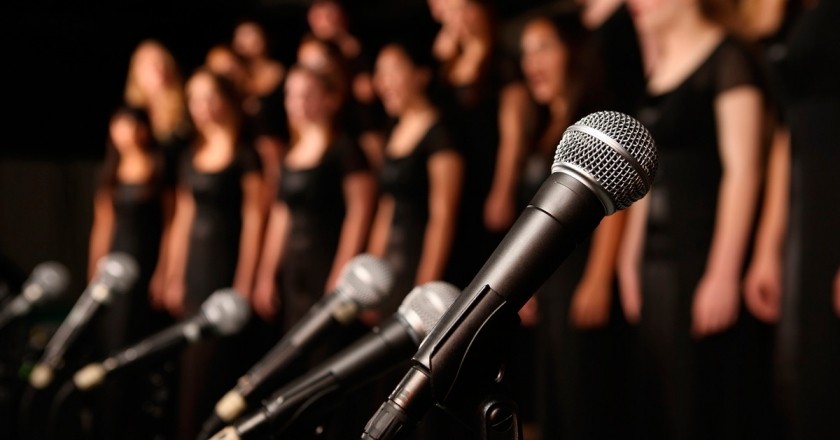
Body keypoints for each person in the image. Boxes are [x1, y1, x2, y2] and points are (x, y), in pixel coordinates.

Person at [617, 0, 766, 438]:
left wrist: (723, 271)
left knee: (698, 400)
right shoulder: (656, 71)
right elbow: (645, 175)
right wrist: (629, 259)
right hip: (655, 260)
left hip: (699, 253)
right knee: (657, 397)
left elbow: (745, 171)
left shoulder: (728, 57)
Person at [516, 13, 630, 440]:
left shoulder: (595, 121)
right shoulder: (540, 124)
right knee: (553, 402)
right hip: (548, 284)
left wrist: (599, 277)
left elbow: (618, 207)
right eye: (525, 52)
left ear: (572, 52)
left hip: (581, 275)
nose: (532, 62)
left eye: (543, 47)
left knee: (584, 400)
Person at [741, 1, 840, 438]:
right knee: (796, 373)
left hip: (831, 203)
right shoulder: (794, 14)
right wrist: (766, 248)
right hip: (806, 201)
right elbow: (787, 134)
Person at [163, 68, 264, 440]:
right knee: (190, 371)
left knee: (216, 371)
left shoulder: (244, 153)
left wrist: (245, 282)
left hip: (226, 267)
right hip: (196, 271)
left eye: (209, 97)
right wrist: (172, 274)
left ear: (226, 99)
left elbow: (255, 220)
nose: (202, 107)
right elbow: (183, 220)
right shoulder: (193, 153)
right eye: (194, 98)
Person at [85, 105, 175, 439]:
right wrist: (96, 273)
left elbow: (170, 224)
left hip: (147, 262)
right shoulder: (110, 170)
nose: (129, 133)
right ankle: (105, 422)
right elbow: (102, 225)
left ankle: (133, 425)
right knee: (110, 340)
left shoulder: (159, 166)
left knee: (137, 342)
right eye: (121, 125)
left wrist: (166, 270)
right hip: (116, 264)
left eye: (135, 125)